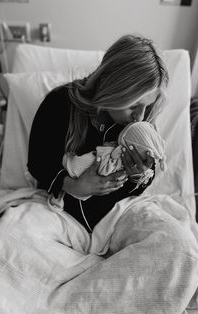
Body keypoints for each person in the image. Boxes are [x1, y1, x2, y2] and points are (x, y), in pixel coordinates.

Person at [27, 34, 169, 232]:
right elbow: (38, 163)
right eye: (134, 105)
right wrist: (73, 186)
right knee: (2, 239)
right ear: (113, 88)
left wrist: (139, 176)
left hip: (117, 216)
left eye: (147, 106)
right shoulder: (59, 104)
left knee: (177, 245)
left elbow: (135, 191)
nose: (139, 117)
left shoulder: (139, 126)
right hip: (60, 214)